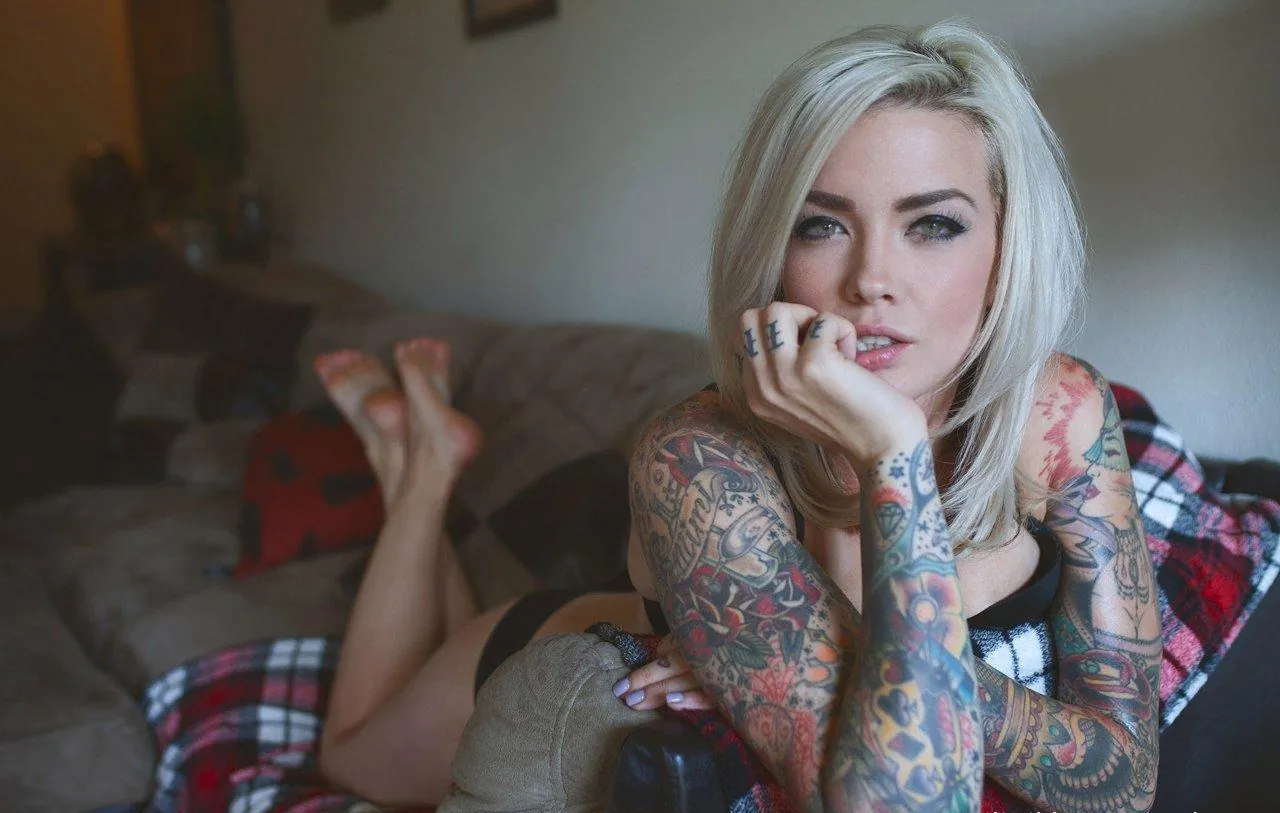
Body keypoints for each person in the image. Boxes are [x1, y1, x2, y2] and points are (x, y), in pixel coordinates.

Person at [316, 17, 1160, 813]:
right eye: (822, 225)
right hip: (537, 636)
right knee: (350, 756)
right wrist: (891, 450)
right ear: (773, 252)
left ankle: (424, 454)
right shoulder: (697, 453)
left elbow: (1125, 780)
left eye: (933, 224)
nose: (872, 279)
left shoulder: (1061, 412)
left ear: (1007, 244)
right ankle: (421, 476)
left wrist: (812, 652)